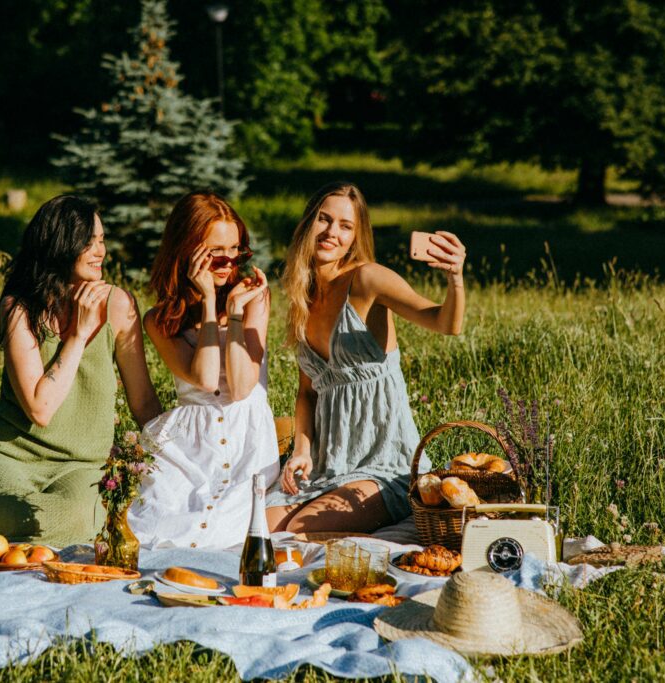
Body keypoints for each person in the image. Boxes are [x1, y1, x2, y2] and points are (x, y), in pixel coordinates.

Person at [0, 195, 162, 548]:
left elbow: (143, 400)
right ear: (59, 244)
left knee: (76, 518)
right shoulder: (19, 308)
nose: (100, 251)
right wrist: (79, 334)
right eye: (88, 242)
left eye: (101, 240)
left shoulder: (118, 305)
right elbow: (40, 409)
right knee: (10, 509)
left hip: (81, 468)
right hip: (10, 457)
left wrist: (178, 456)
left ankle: (21, 538)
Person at [265, 182, 466, 534]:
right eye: (324, 220)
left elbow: (444, 323)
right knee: (259, 528)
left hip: (385, 467)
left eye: (345, 226)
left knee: (297, 532)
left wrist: (455, 278)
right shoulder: (303, 296)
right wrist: (301, 451)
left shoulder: (367, 279)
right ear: (308, 224)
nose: (331, 233)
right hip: (326, 468)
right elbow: (308, 392)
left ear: (356, 236)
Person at [128, 191, 280, 549]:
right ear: (188, 251)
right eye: (216, 253)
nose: (228, 261)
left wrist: (236, 314)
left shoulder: (253, 297)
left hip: (247, 438)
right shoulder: (160, 319)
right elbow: (207, 378)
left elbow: (241, 387)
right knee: (157, 520)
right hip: (190, 443)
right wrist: (211, 303)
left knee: (229, 522)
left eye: (236, 250)